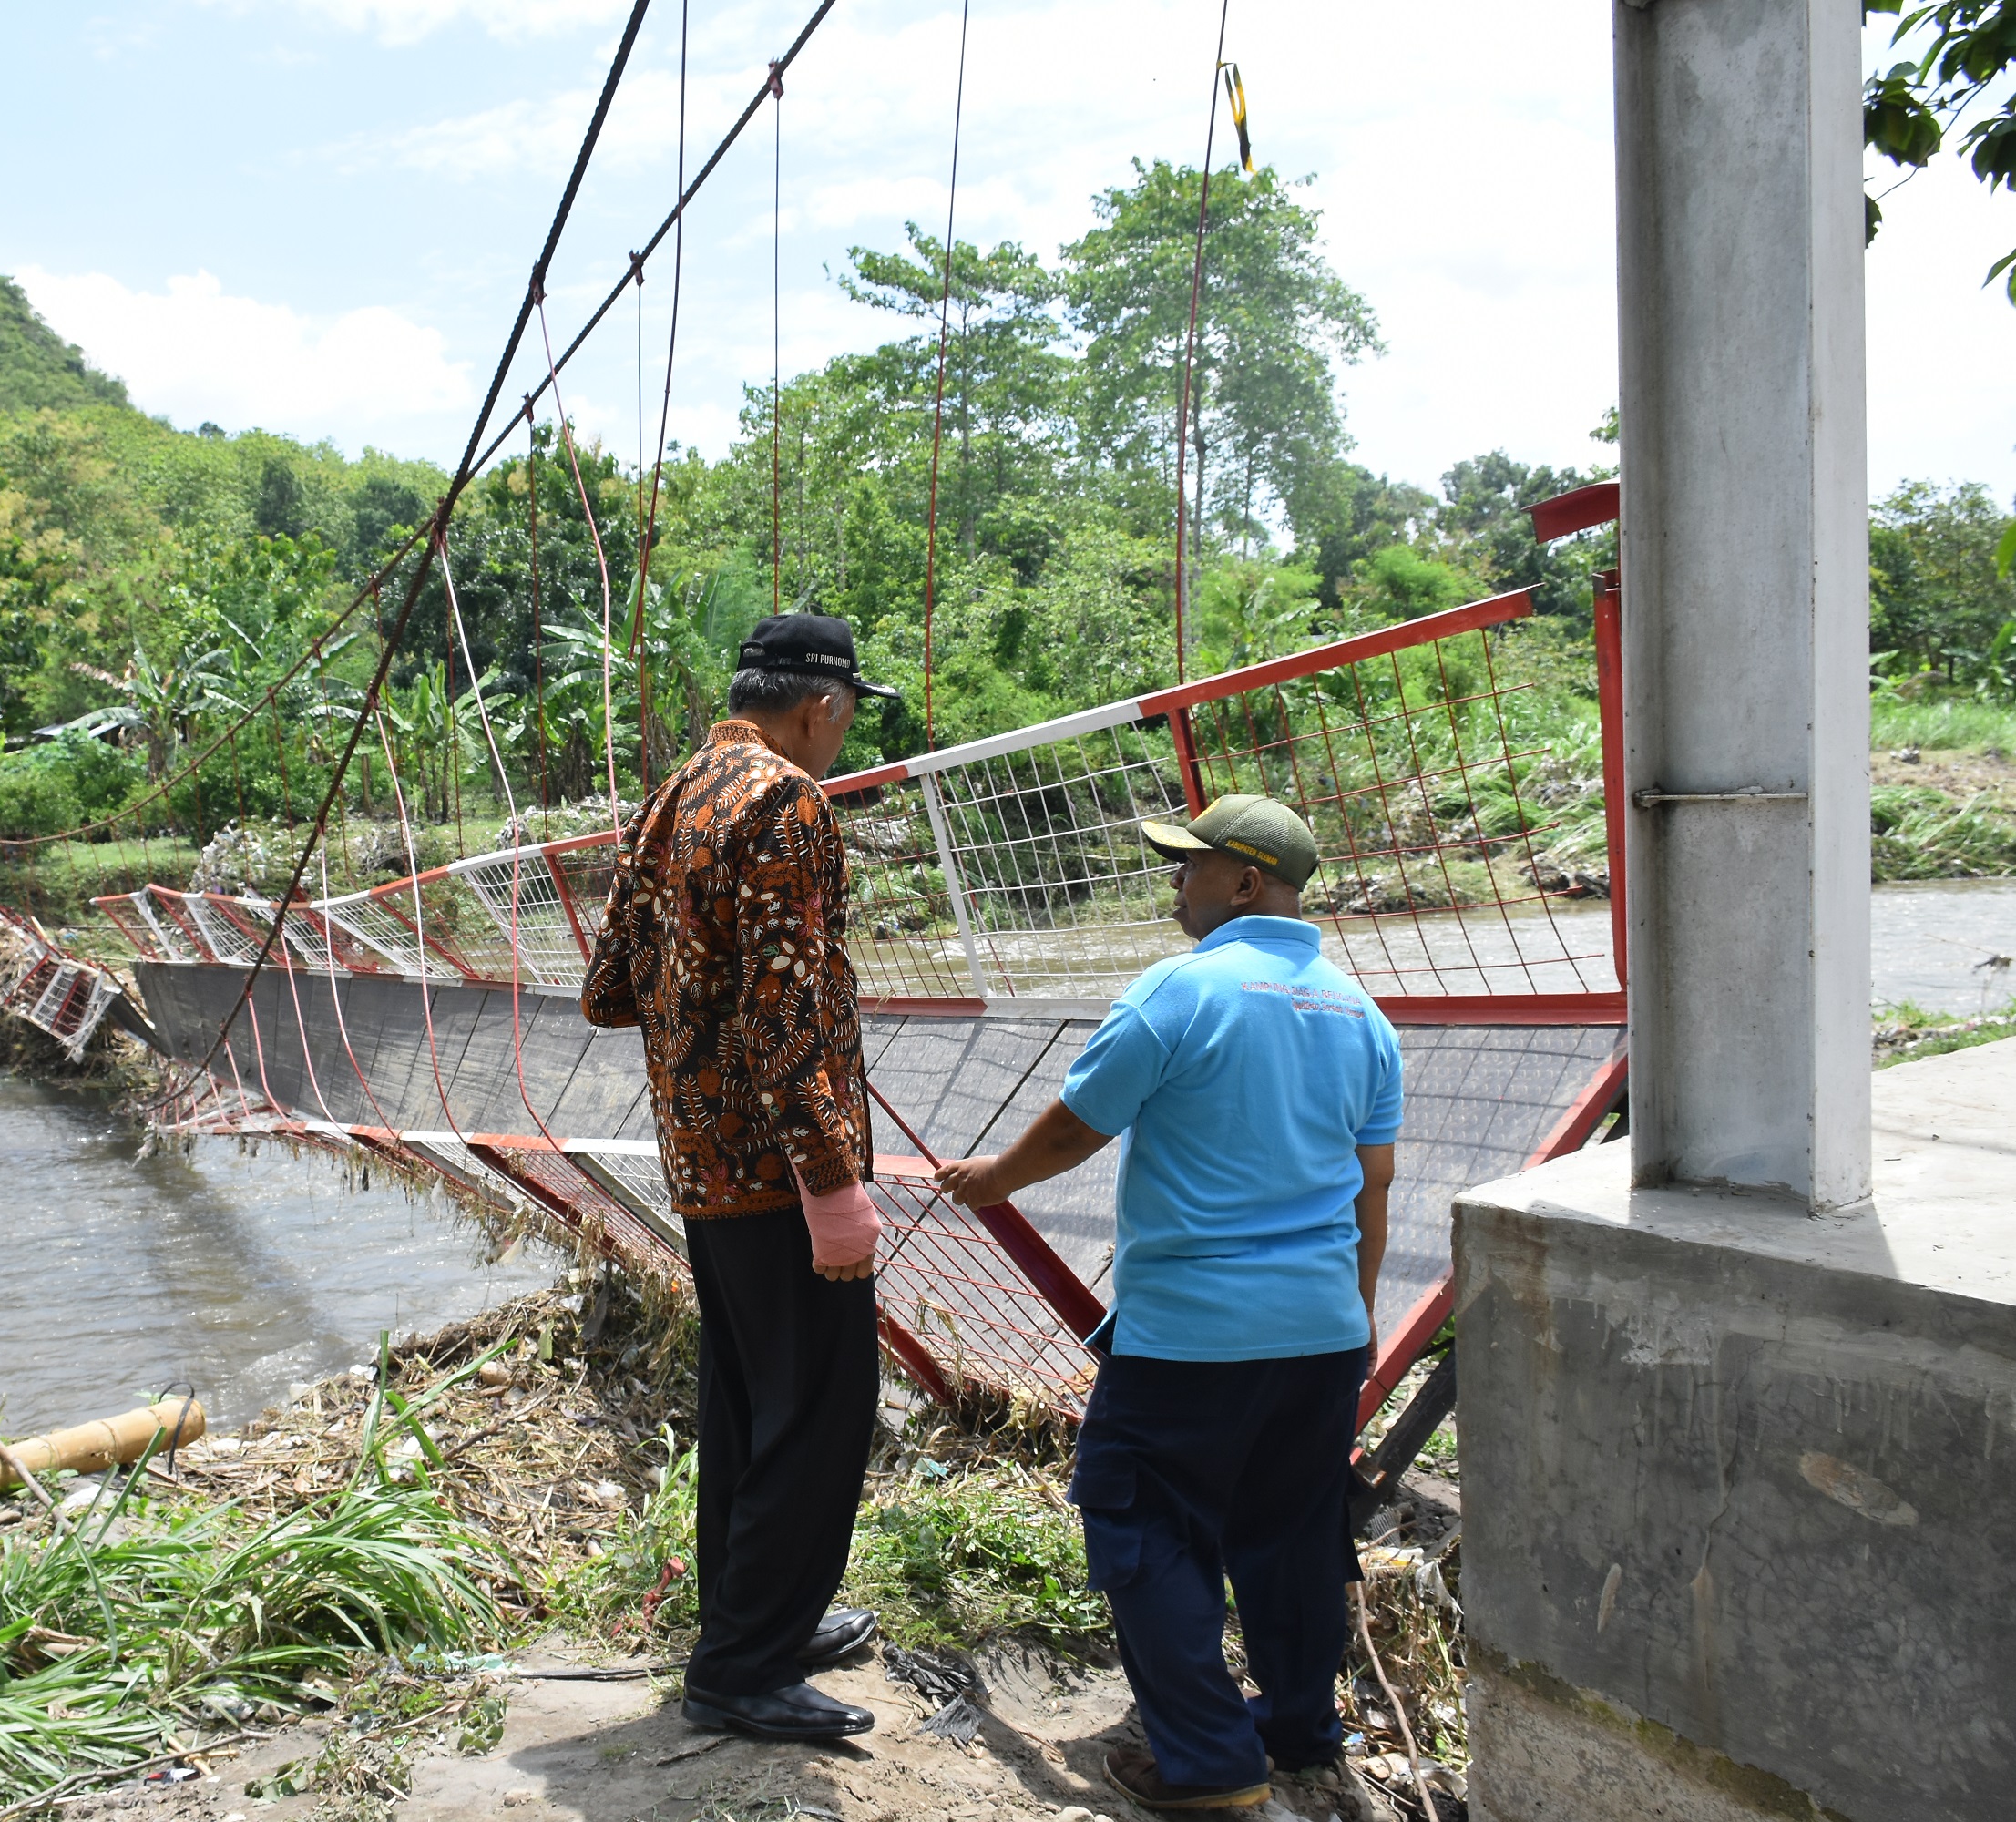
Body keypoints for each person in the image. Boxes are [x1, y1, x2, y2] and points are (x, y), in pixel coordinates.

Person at [934, 794, 1402, 1816]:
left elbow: (1077, 1124)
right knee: (1289, 1530)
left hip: (1191, 1335)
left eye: (1190, 866)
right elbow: (1373, 1182)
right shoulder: (1359, 1013)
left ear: (1245, 882)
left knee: (1141, 1517)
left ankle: (1209, 1764)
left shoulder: (1183, 992)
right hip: (1321, 1332)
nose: (1174, 883)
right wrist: (1357, 1319)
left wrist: (994, 1181)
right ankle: (1298, 1731)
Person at [579, 612, 903, 1743]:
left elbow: (608, 986)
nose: (845, 736)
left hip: (703, 1161)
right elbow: (786, 1011)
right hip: (777, 1170)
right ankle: (743, 1667)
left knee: (749, 1401)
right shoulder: (787, 801)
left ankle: (754, 1619)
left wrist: (692, 1030)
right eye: (850, 714)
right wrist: (833, 1181)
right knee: (819, 1411)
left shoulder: (684, 790)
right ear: (820, 704)